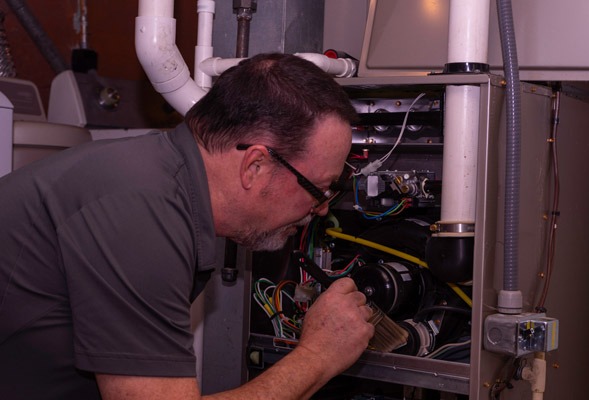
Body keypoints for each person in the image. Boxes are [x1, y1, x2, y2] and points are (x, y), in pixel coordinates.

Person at [0, 53, 374, 399]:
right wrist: (319, 355)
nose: (322, 209)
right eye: (319, 189)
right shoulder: (141, 212)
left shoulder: (160, 181)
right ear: (255, 166)